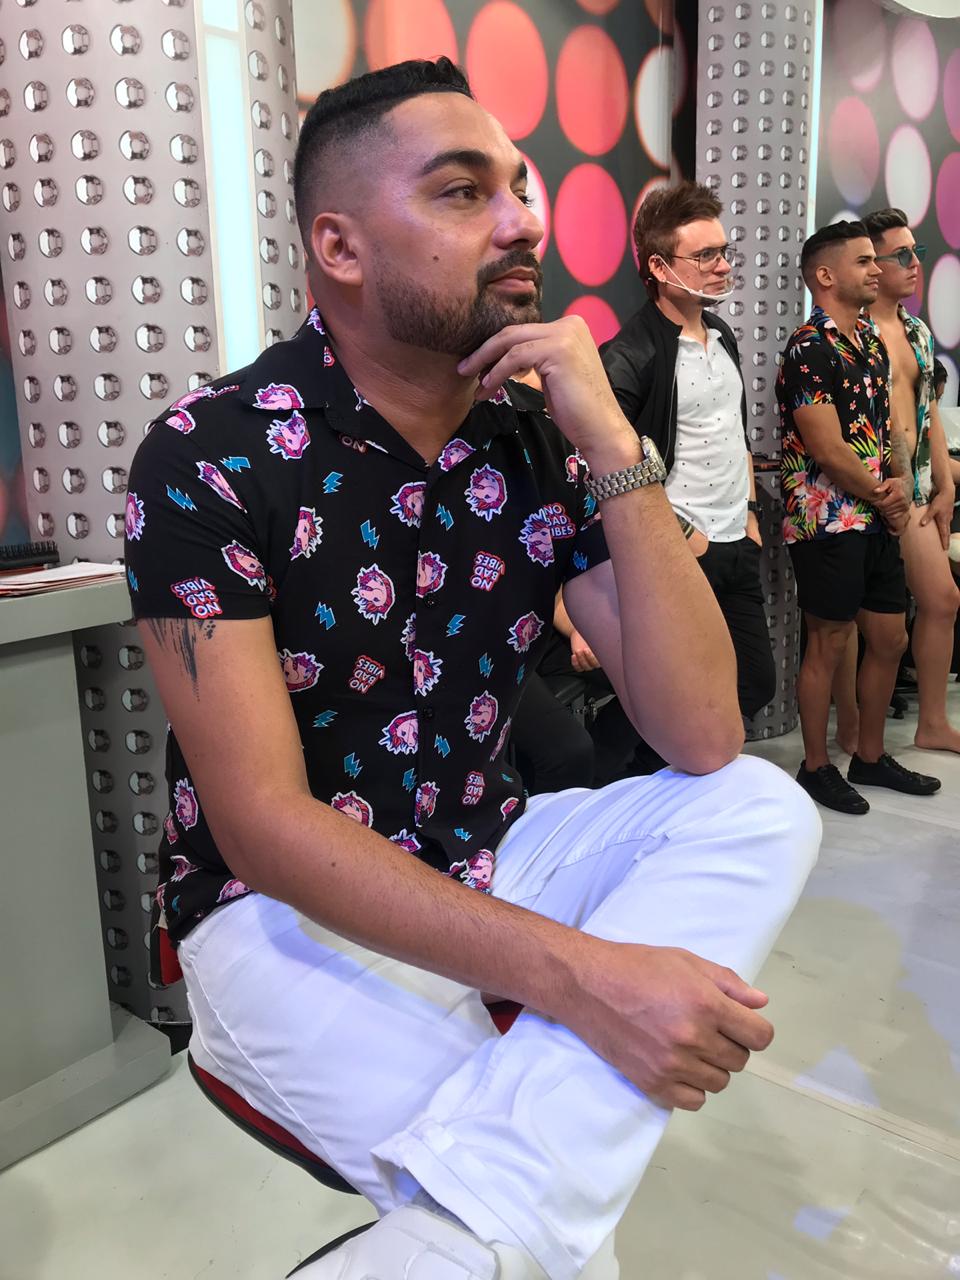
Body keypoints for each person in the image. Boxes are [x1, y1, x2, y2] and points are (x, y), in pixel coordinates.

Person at [125, 60, 820, 1280]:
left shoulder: (534, 439)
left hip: (486, 848)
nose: (520, 222)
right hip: (276, 912)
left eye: (517, 188)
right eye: (462, 192)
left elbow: (706, 731)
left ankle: (488, 1201)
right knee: (552, 1243)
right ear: (339, 246)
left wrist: (611, 439)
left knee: (759, 802)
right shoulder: (211, 455)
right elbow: (263, 826)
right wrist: (592, 981)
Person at [601, 181, 776, 733]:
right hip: (681, 551)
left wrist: (750, 515)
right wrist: (682, 535)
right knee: (679, 695)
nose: (722, 266)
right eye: (704, 256)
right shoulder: (629, 355)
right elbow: (608, 472)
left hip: (735, 539)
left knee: (753, 683)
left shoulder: (721, 335)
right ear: (658, 266)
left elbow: (734, 433)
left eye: (723, 251)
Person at [778, 220, 941, 815]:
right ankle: (815, 766)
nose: (878, 269)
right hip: (827, 520)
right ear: (825, 276)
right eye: (865, 261)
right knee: (828, 641)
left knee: (891, 637)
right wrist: (884, 494)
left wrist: (899, 483)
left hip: (874, 514)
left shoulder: (869, 341)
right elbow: (826, 448)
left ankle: (870, 756)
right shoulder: (808, 348)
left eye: (878, 260)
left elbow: (886, 430)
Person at [860, 208, 960, 752]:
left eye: (916, 252)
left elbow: (929, 416)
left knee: (941, 601)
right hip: (871, 492)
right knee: (862, 630)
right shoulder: (856, 333)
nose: (914, 263)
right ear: (871, 264)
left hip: (916, 488)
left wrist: (946, 486)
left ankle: (933, 722)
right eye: (902, 254)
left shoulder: (916, 331)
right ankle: (857, 732)